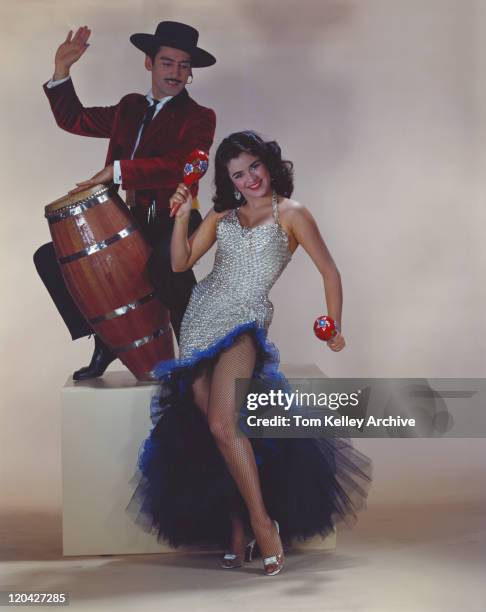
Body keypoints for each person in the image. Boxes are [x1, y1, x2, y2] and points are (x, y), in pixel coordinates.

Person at [128, 131, 372, 576]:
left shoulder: (293, 214)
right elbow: (181, 264)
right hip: (201, 318)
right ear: (229, 180)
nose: (249, 179)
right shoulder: (223, 213)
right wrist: (183, 215)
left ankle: (263, 523)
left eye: (254, 167)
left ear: (268, 164)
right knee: (210, 429)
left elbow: (330, 270)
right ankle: (239, 524)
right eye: (238, 174)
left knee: (226, 423)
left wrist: (334, 325)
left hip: (244, 321)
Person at [34, 21, 216, 380]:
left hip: (175, 216)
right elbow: (76, 119)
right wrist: (61, 71)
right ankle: (106, 340)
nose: (176, 72)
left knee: (166, 267)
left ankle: (196, 358)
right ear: (149, 63)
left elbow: (181, 166)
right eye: (168, 63)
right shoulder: (129, 108)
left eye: (183, 66)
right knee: (51, 260)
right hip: (125, 217)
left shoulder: (199, 117)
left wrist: (117, 171)